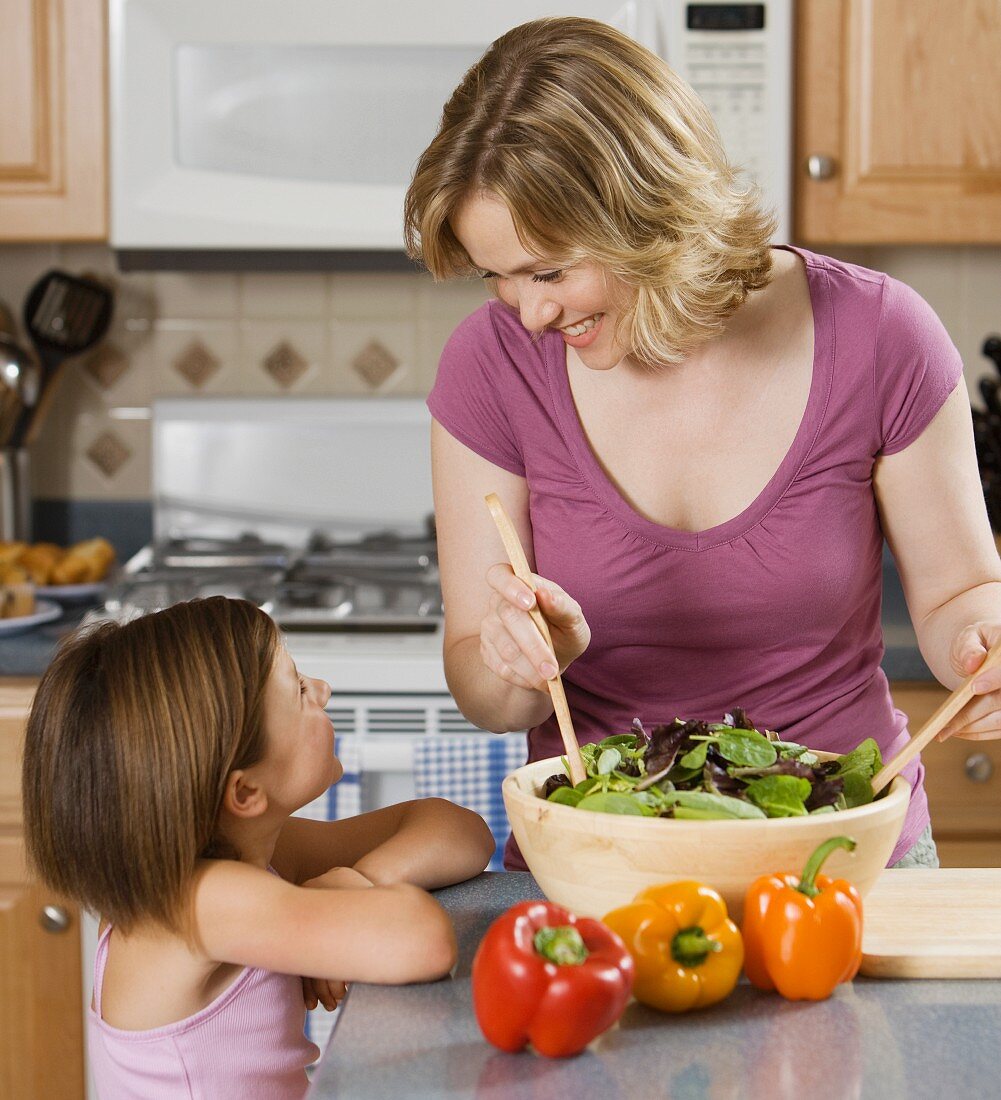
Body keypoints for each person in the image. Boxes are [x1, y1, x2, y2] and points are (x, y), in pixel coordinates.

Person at [402, 16, 1001, 872]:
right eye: (496, 276)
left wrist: (984, 643)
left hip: (841, 859)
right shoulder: (490, 367)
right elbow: (482, 691)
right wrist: (518, 664)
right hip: (599, 860)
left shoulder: (879, 335)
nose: (529, 312)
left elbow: (960, 598)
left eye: (548, 271)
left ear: (648, 213)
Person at [21, 596, 494, 1100]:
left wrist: (362, 878)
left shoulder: (250, 856)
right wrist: (347, 892)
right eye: (300, 689)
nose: (325, 690)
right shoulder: (202, 903)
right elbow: (423, 941)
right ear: (245, 792)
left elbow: (460, 829)